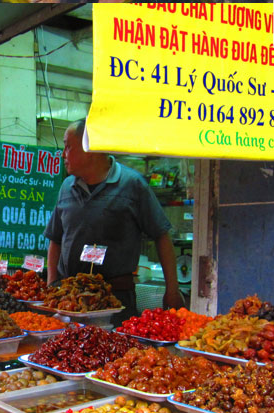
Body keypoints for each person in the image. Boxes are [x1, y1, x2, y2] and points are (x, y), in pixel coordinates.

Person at [44, 119, 182, 326]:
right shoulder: (66, 187)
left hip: (116, 300)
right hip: (69, 300)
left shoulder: (132, 185)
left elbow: (161, 235)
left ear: (89, 148)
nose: (63, 154)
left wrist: (172, 290)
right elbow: (55, 238)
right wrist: (51, 285)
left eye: (68, 146)